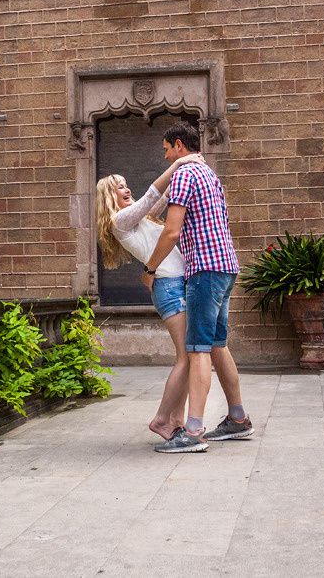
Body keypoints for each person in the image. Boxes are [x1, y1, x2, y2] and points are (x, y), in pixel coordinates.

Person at [141, 121, 252, 453]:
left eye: (166, 149)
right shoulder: (209, 174)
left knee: (197, 349)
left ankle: (193, 430)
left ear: (179, 145)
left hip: (204, 270)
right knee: (217, 345)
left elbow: (171, 231)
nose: (165, 156)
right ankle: (238, 419)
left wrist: (150, 268)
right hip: (226, 266)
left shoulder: (184, 175)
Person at [95, 152, 205, 440]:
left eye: (126, 184)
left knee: (189, 357)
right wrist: (178, 163)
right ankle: (161, 419)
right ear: (109, 196)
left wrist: (183, 171)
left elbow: (163, 198)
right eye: (119, 186)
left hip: (176, 283)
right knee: (185, 358)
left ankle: (176, 421)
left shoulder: (138, 219)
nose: (126, 188)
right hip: (168, 287)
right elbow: (151, 196)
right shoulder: (120, 221)